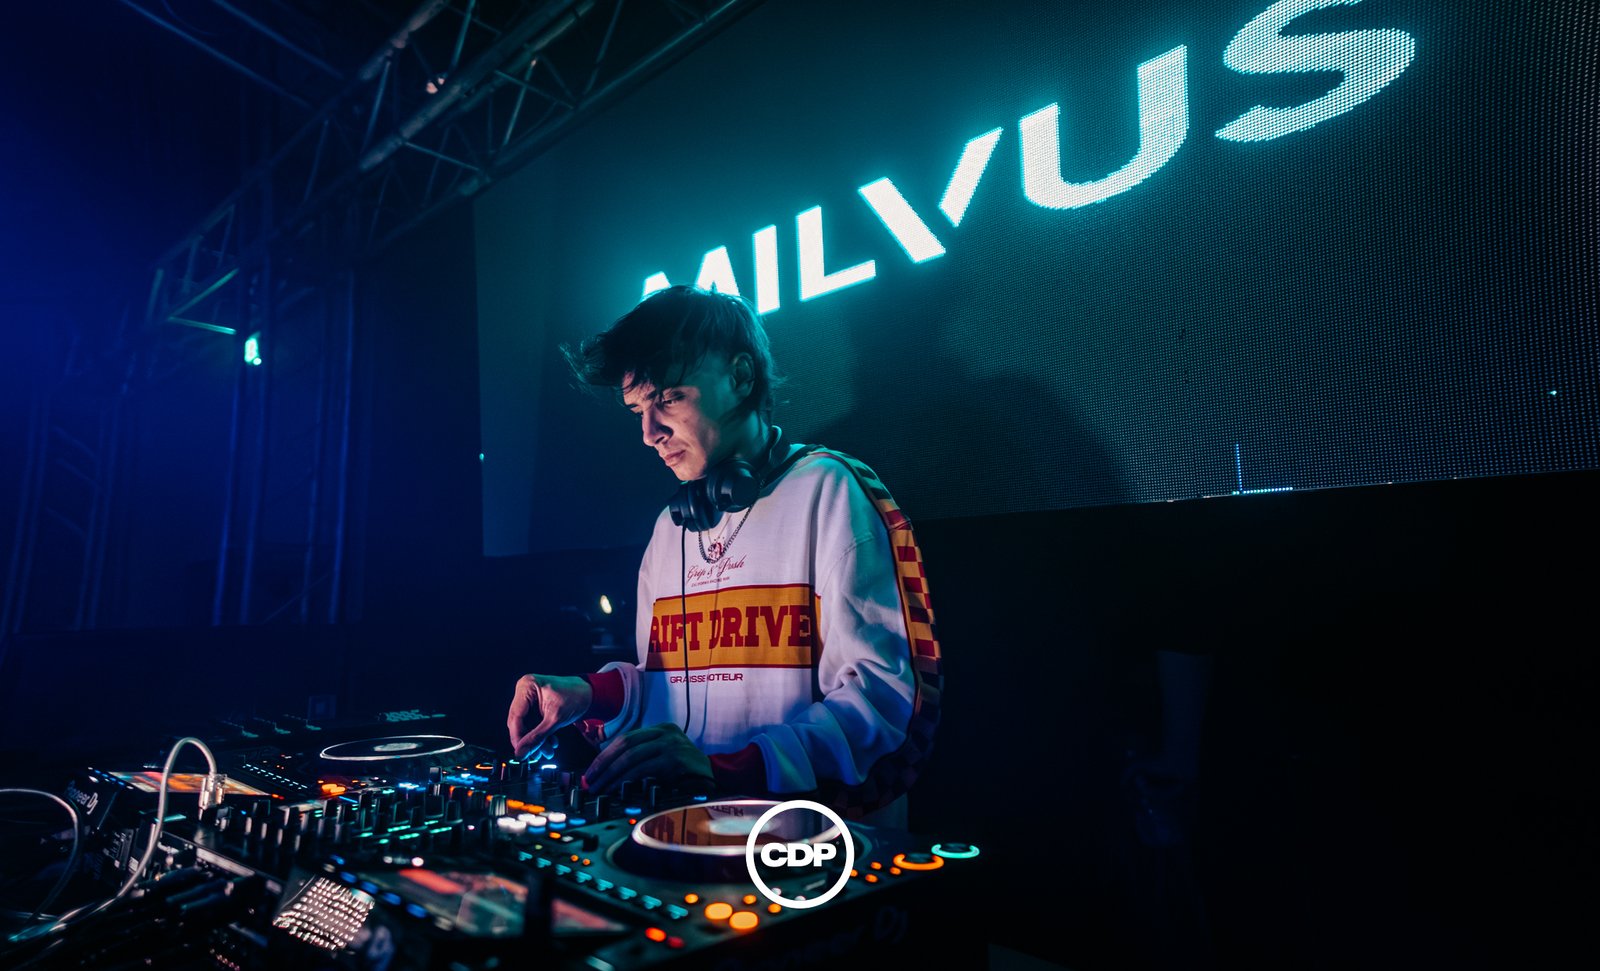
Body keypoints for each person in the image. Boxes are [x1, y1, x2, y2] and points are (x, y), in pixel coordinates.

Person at [505, 285, 941, 823]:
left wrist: (730, 770)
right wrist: (588, 694)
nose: (648, 433)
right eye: (638, 410)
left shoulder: (830, 490)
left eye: (668, 399)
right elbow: (668, 690)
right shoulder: (672, 526)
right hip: (696, 838)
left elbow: (886, 704)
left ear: (741, 377)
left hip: (810, 849)